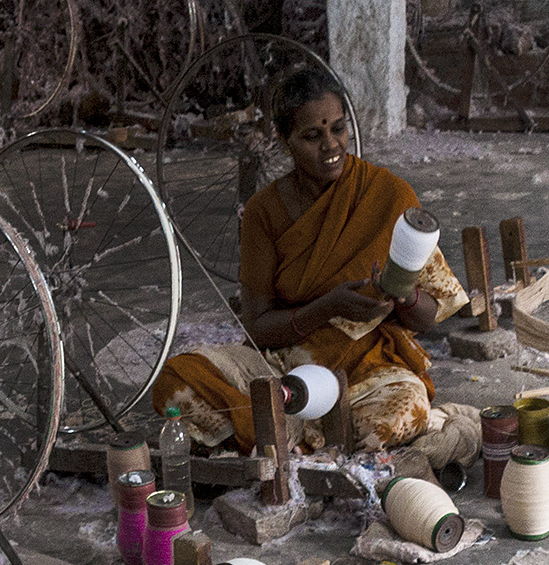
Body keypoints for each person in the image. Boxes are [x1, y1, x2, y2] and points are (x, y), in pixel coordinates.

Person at [152, 67, 468, 454]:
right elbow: (258, 326)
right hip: (283, 367)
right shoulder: (263, 212)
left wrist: (404, 295)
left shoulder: (389, 196)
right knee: (175, 380)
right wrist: (328, 306)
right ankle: (295, 432)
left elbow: (429, 316)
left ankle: (273, 437)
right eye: (312, 136)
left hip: (370, 367)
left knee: (406, 408)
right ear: (286, 141)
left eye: (338, 128)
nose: (331, 145)